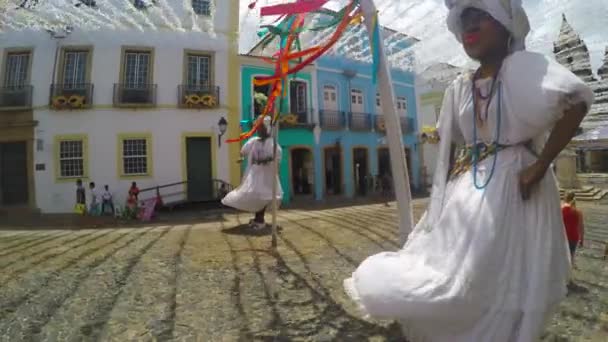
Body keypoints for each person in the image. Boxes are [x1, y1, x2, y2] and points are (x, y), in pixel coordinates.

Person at [343, 1, 594, 340]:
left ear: (506, 24)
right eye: (465, 20)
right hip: (469, 187)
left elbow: (576, 101)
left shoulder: (521, 67)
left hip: (512, 183)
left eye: (481, 16)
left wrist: (540, 165)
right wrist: (442, 196)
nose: (470, 27)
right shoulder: (459, 87)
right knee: (454, 271)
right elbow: (454, 143)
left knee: (502, 274)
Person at [222, 116, 282, 230]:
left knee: (263, 196)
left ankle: (260, 220)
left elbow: (276, 157)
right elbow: (244, 151)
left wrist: (265, 160)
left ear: (267, 129)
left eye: (261, 128)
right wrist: (242, 157)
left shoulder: (272, 143)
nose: (259, 130)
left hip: (266, 175)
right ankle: (257, 218)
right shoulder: (253, 142)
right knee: (255, 196)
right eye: (257, 128)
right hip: (254, 174)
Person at [561, 191, 584, 269]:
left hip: (563, 236)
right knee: (571, 255)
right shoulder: (578, 212)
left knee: (562, 256)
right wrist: (582, 239)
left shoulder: (561, 209)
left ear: (565, 198)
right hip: (574, 237)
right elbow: (581, 227)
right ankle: (569, 274)